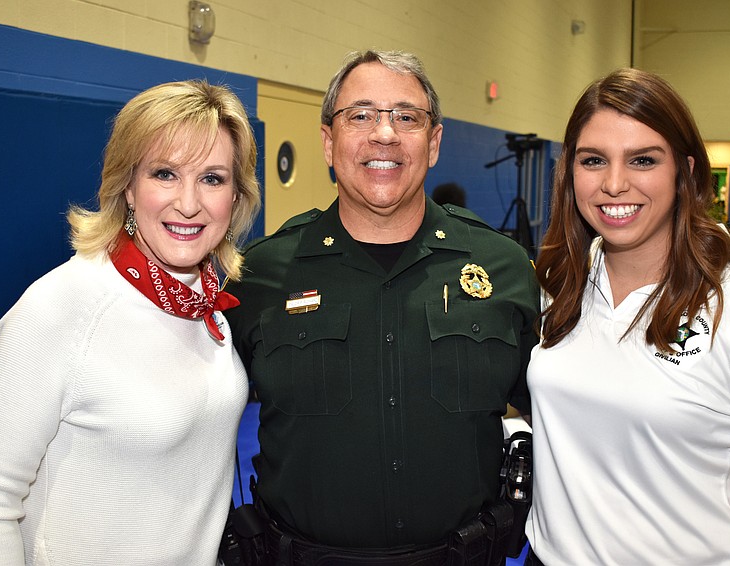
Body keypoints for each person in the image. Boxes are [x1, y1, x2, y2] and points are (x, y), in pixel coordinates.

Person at [225, 50, 539, 565]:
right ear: (329, 142)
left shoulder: (501, 267)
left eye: (407, 117)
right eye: (361, 115)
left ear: (433, 142)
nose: (385, 135)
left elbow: (555, 411)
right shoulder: (259, 275)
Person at [0, 79, 261, 565]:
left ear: (236, 197)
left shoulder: (205, 299)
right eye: (164, 173)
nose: (188, 202)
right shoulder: (59, 308)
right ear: (129, 188)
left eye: (212, 178)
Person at [526, 68, 730, 565]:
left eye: (643, 159)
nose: (614, 183)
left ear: (686, 173)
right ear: (570, 172)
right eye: (593, 160)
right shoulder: (556, 287)